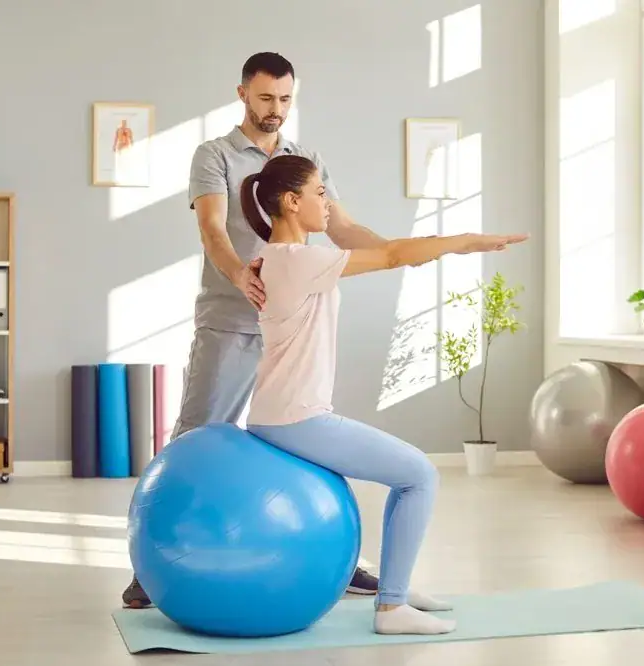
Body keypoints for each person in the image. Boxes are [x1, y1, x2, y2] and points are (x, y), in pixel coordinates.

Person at [122, 51, 388, 608]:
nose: (276, 110)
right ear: (242, 93)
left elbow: (339, 226)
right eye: (266, 98)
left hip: (295, 326)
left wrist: (399, 253)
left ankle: (337, 557)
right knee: (199, 435)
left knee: (310, 439)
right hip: (232, 317)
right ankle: (151, 566)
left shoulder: (304, 157)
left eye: (286, 99)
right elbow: (213, 230)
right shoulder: (213, 154)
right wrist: (242, 274)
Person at [240, 154, 528, 635]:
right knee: (419, 474)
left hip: (279, 412)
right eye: (318, 194)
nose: (327, 203)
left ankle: (398, 587)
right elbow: (392, 255)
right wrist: (468, 242)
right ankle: (392, 608)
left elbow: (389, 251)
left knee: (409, 476)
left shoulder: (276, 258)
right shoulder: (299, 259)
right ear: (292, 202)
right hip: (297, 418)